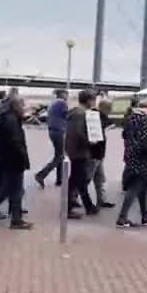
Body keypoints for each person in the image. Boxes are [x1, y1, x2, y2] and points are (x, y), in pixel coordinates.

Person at [0, 91, 33, 229]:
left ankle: (4, 214)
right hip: (13, 160)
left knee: (12, 189)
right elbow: (15, 141)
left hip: (7, 159)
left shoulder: (9, 118)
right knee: (12, 189)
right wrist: (23, 156)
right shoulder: (11, 120)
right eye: (22, 106)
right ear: (16, 106)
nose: (24, 108)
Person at [116, 99, 147, 228]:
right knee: (135, 186)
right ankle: (122, 217)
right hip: (140, 157)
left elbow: (124, 134)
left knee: (144, 185)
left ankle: (145, 215)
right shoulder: (145, 119)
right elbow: (144, 140)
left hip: (130, 154)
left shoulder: (132, 117)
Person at [63, 89, 98, 219]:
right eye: (93, 99)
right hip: (79, 151)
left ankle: (87, 206)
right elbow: (78, 132)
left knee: (79, 179)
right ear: (88, 100)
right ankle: (68, 208)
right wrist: (90, 142)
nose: (94, 102)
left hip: (74, 149)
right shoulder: (80, 113)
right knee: (76, 180)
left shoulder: (76, 112)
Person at [34, 89, 69, 189]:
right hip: (59, 131)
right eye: (67, 94)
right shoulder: (62, 103)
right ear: (62, 94)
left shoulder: (52, 104)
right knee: (59, 157)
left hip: (52, 131)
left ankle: (59, 180)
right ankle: (40, 175)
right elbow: (67, 116)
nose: (68, 96)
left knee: (59, 155)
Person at [89, 94, 116, 209]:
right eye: (110, 108)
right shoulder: (97, 117)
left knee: (99, 178)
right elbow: (95, 136)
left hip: (99, 153)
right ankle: (72, 199)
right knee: (87, 177)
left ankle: (101, 200)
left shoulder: (98, 116)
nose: (111, 111)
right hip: (95, 153)